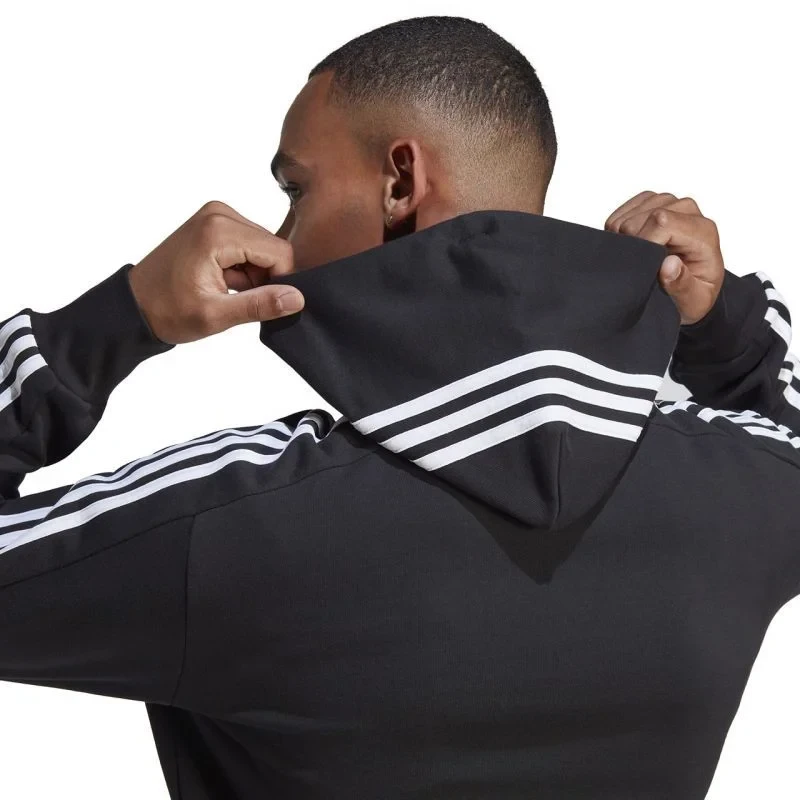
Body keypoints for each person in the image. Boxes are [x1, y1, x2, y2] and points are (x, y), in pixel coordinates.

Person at [1, 14, 798, 800]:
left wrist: (119, 319)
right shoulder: (742, 490)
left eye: (295, 189)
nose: (282, 238)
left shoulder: (227, 522)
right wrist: (722, 324)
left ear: (400, 185)